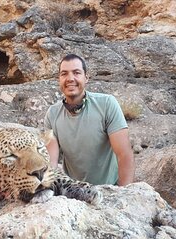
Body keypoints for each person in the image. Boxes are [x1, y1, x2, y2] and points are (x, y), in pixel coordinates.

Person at [44, 54, 135, 186]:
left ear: (86, 78)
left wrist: (123, 194)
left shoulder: (107, 104)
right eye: (64, 74)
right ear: (59, 79)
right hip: (76, 192)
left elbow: (124, 154)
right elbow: (51, 162)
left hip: (110, 188)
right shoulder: (52, 114)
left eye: (76, 73)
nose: (70, 79)